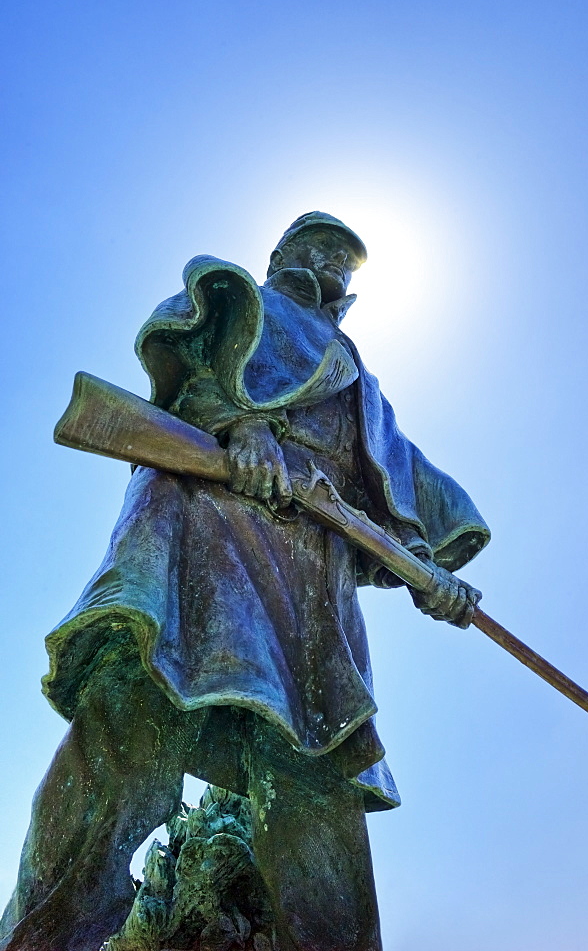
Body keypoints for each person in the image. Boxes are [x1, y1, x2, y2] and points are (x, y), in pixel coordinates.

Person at [0, 213, 490, 951]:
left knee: (317, 771)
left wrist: (430, 574)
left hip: (309, 584)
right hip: (204, 532)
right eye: (316, 247)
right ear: (280, 255)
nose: (330, 264)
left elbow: (398, 497)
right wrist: (238, 419)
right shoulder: (240, 304)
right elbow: (182, 373)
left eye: (342, 261)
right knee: (129, 738)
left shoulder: (361, 383)